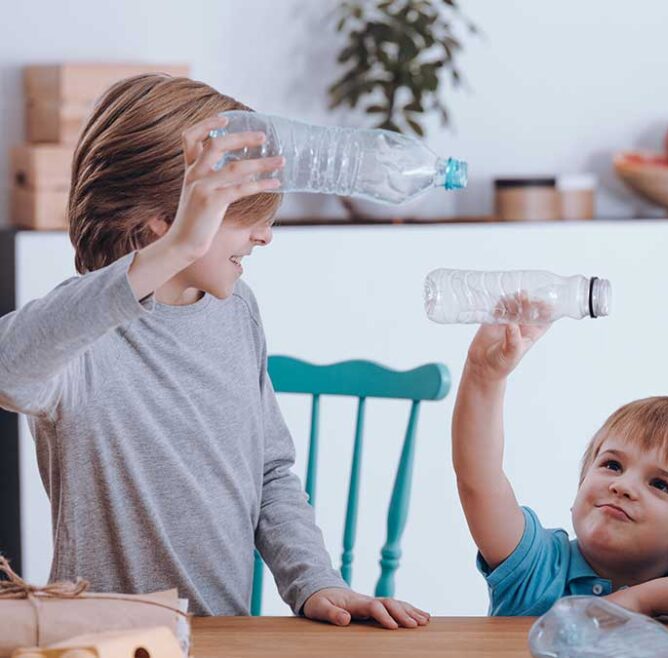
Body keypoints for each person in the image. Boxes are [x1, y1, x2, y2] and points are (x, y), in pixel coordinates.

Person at [0, 74, 429, 628]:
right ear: (166, 221)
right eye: (242, 214)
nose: (265, 236)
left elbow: (270, 472)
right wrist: (180, 245)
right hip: (103, 640)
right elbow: (9, 366)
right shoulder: (83, 333)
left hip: (222, 634)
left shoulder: (236, 310)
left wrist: (315, 580)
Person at [452, 322, 668, 619]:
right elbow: (480, 480)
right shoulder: (536, 566)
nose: (622, 485)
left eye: (659, 484)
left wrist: (643, 599)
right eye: (612, 465)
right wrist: (484, 376)